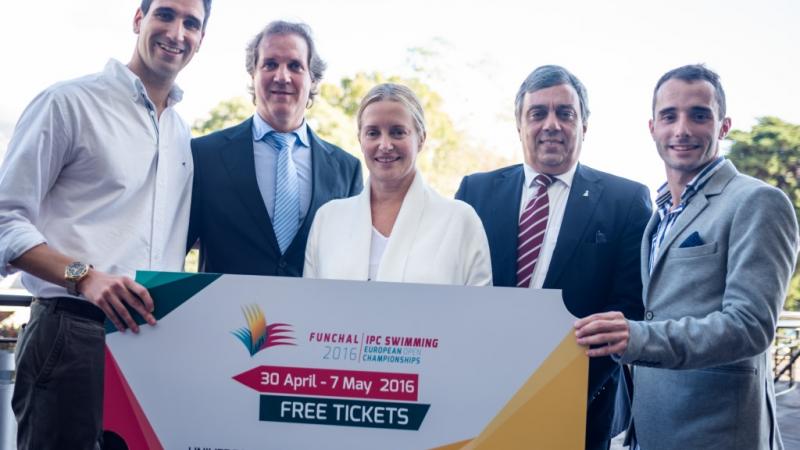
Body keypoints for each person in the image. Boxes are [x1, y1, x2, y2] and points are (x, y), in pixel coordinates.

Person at [0, 0, 212, 447]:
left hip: (148, 344)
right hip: (69, 336)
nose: (177, 32)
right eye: (165, 15)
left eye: (191, 23)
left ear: (200, 40)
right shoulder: (68, 103)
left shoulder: (180, 132)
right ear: (139, 20)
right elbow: (4, 220)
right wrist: (84, 276)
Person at [574, 64, 799, 450]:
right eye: (669, 116)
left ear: (723, 126)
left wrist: (637, 336)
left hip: (717, 434)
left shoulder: (757, 201)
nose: (682, 129)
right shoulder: (657, 213)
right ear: (653, 128)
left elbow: (751, 326)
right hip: (648, 430)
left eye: (699, 115)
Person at [456, 65, 651, 449]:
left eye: (565, 113)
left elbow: (627, 307)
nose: (551, 124)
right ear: (519, 124)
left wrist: (557, 391)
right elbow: (455, 295)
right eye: (537, 112)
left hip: (582, 411)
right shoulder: (475, 192)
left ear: (584, 125)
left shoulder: (625, 201)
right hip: (480, 404)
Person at [189, 20, 362, 276]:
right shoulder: (204, 155)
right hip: (225, 313)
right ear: (253, 75)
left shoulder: (346, 170)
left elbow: (354, 262)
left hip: (313, 314)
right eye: (270, 64)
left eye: (295, 66)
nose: (282, 76)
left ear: (313, 80)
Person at [304, 83, 491, 286]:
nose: (385, 145)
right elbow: (311, 310)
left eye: (398, 132)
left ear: (421, 139)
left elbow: (478, 312)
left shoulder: (460, 221)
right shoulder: (328, 220)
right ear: (360, 139)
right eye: (373, 133)